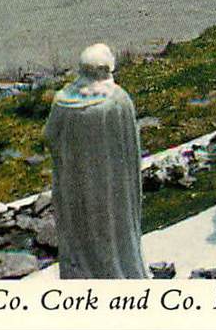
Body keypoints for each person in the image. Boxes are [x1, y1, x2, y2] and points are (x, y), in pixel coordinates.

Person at [43, 44, 148, 279]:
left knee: (79, 234)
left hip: (75, 188)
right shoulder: (118, 100)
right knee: (114, 232)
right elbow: (131, 145)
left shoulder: (63, 101)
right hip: (113, 189)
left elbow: (49, 136)